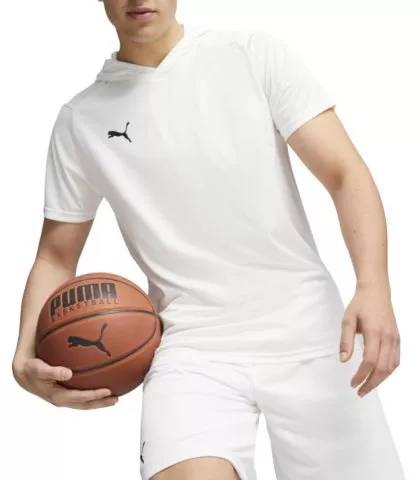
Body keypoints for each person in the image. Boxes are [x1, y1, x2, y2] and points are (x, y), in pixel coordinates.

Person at [12, 1, 406, 480]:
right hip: (192, 348)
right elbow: (56, 256)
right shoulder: (80, 120)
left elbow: (345, 174)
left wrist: (373, 287)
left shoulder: (252, 55)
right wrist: (24, 354)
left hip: (311, 332)